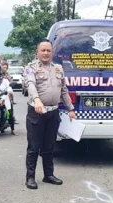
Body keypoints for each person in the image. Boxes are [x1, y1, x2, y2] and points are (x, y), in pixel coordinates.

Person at [23, 39, 76, 190]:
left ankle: (48, 175)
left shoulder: (58, 69)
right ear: (37, 52)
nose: (46, 53)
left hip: (53, 112)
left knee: (49, 146)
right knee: (34, 146)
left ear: (52, 52)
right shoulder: (31, 68)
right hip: (36, 112)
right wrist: (37, 100)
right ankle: (30, 177)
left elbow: (64, 91)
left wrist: (71, 109)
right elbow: (31, 84)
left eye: (48, 50)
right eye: (43, 50)